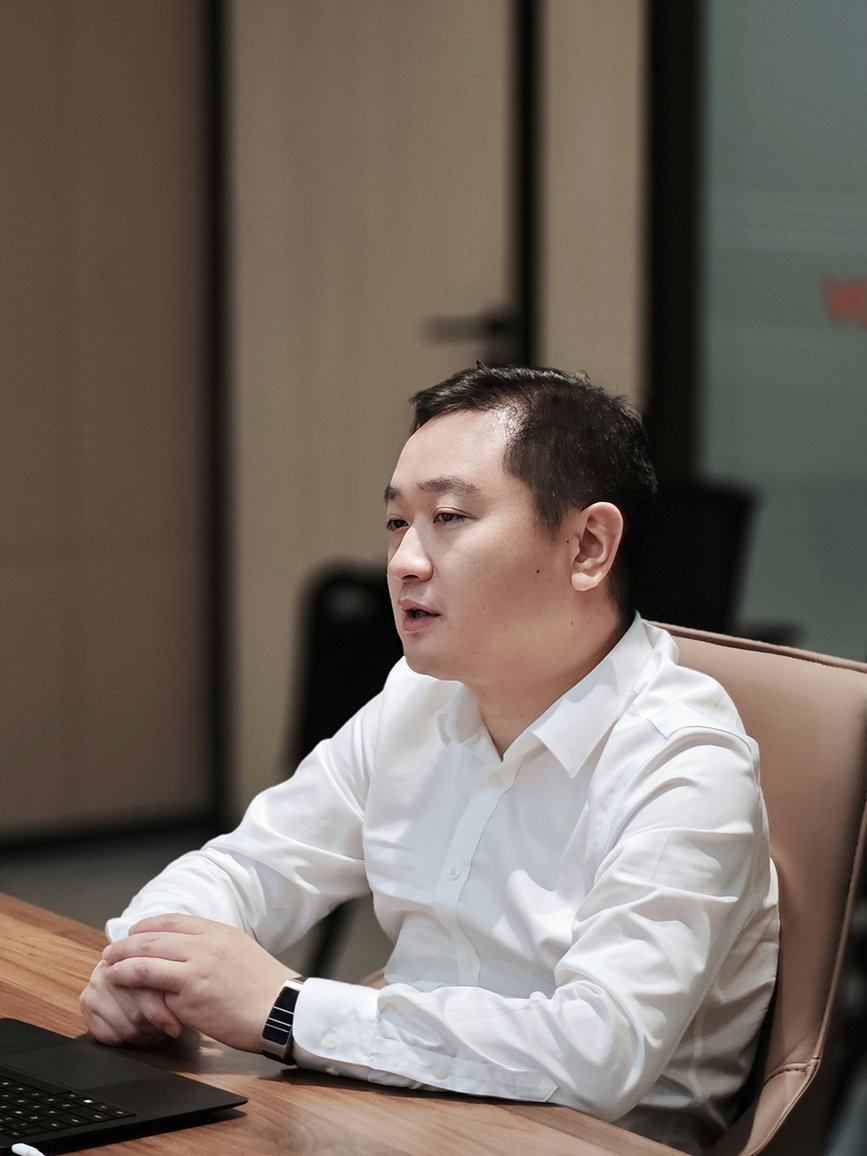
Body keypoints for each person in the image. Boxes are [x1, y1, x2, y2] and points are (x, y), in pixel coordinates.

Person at [80, 364, 778, 1154]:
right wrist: (145, 963)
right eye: (395, 522)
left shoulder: (686, 761)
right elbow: (251, 865)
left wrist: (284, 1008)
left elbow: (595, 1055)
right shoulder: (419, 698)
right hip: (391, 1110)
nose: (403, 561)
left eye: (447, 517)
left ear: (587, 546)